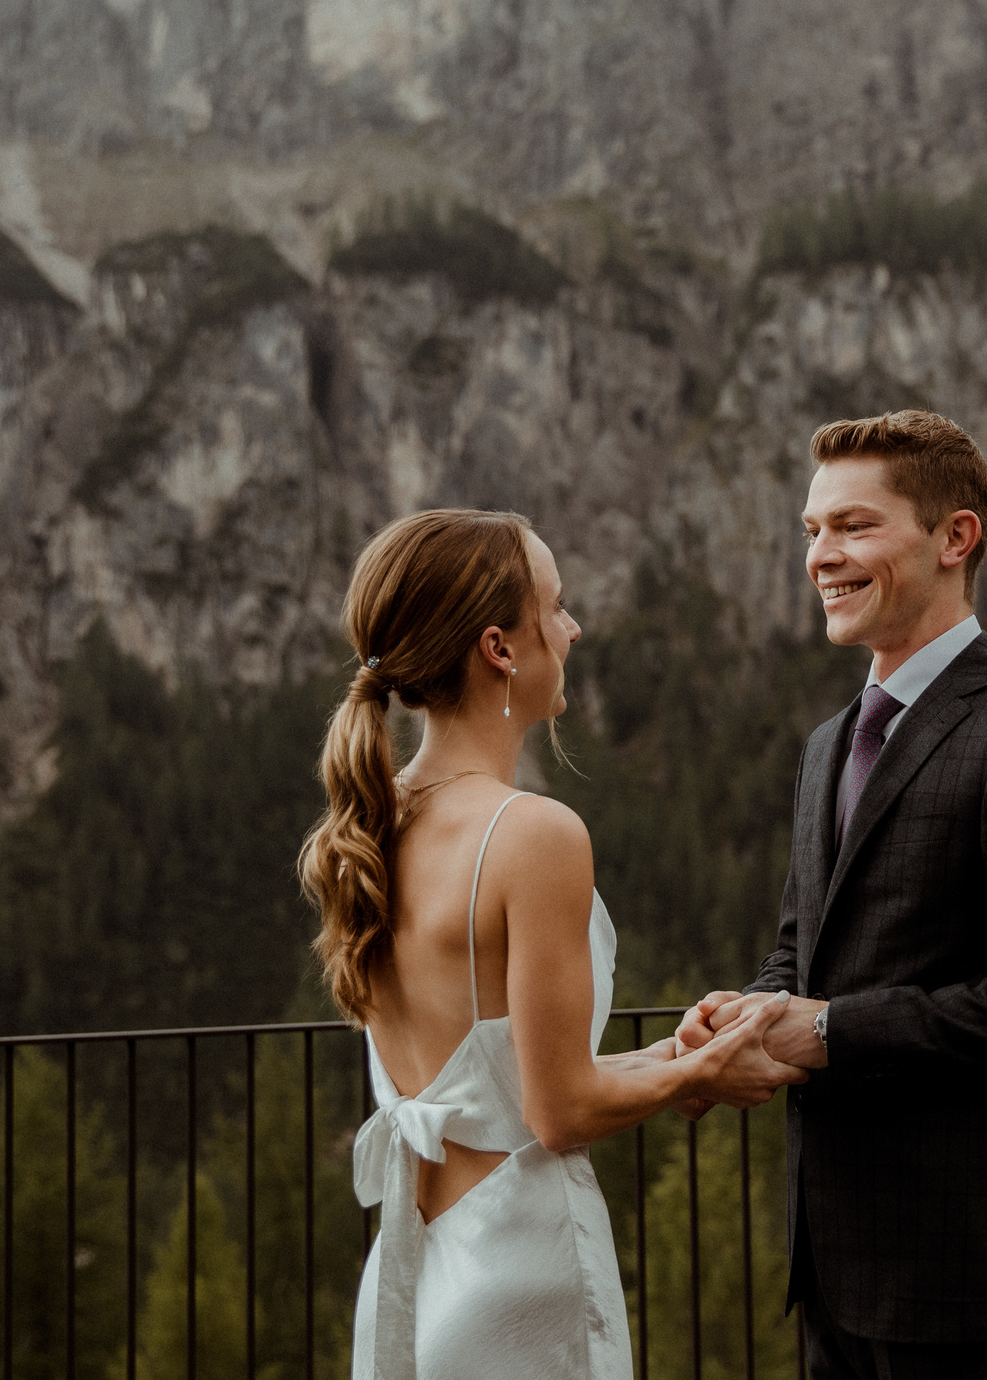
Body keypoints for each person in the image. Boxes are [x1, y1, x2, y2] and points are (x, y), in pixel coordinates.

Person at [300, 508, 808, 1380]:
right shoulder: (533, 834)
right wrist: (699, 1074)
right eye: (557, 605)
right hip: (520, 1276)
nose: (572, 629)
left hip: (416, 1264)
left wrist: (671, 1053)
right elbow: (558, 1111)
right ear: (500, 646)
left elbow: (499, 1085)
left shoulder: (370, 823)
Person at [679, 410, 987, 1380]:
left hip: (965, 1283)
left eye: (853, 527)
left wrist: (834, 1031)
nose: (820, 556)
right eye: (811, 532)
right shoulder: (825, 745)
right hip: (832, 1282)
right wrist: (745, 1017)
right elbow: (804, 955)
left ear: (953, 537)